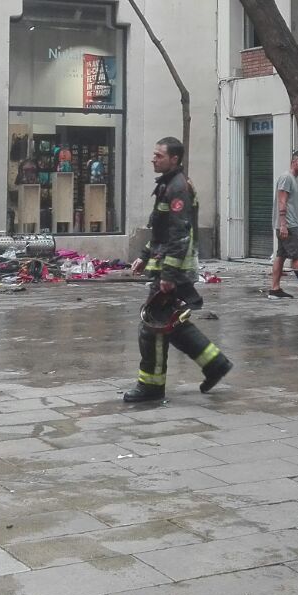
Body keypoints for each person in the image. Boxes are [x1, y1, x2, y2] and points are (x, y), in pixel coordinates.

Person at [123, 136, 233, 404]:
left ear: (174, 159)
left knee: (153, 327)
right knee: (170, 324)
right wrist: (145, 255)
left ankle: (151, 386)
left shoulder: (178, 188)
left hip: (173, 270)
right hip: (166, 265)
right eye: (154, 154)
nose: (153, 159)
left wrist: (168, 276)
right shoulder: (168, 185)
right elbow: (162, 231)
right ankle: (215, 363)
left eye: (159, 155)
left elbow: (180, 234)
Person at [267, 149, 298, 299]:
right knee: (297, 256)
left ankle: (275, 290)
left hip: (286, 224)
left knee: (281, 255)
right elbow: (282, 201)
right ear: (293, 162)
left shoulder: (291, 179)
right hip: (288, 225)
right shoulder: (286, 178)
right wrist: (283, 224)